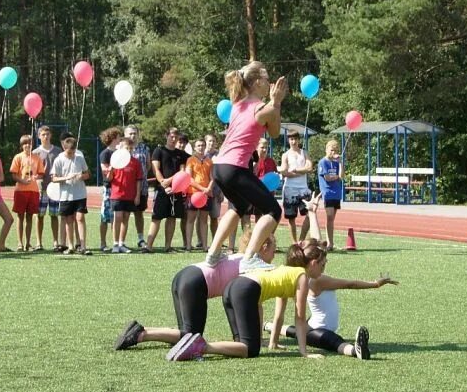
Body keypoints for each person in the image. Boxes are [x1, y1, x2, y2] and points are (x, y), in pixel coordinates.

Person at [273, 194, 397, 359]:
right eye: (323, 264)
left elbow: (317, 242)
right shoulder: (318, 281)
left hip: (312, 326)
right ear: (313, 264)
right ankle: (355, 350)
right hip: (320, 329)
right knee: (330, 341)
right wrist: (375, 284)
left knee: (301, 330)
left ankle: (268, 327)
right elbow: (350, 284)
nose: (325, 267)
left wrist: (312, 213)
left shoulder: (303, 272)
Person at [166, 237, 328, 361]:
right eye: (322, 266)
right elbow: (300, 318)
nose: (322, 271)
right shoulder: (301, 277)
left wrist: (273, 342)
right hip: (244, 291)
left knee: (241, 346)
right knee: (251, 349)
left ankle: (195, 345)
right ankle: (201, 346)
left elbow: (279, 314)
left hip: (232, 288)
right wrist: (304, 352)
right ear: (313, 263)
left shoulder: (286, 271)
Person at [112, 233, 277, 351]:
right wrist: (257, 338)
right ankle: (142, 333)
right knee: (191, 338)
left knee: (184, 336)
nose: (274, 256)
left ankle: (140, 330)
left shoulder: (239, 256)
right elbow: (255, 305)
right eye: (273, 251)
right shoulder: (253, 265)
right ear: (263, 248)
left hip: (185, 275)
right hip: (195, 283)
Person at [204, 61, 288, 272]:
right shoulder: (262, 108)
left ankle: (212, 255)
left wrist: (272, 104)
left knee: (238, 206)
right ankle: (250, 257)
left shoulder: (237, 104)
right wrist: (276, 103)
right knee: (273, 210)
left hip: (219, 167)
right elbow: (276, 132)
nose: (270, 82)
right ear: (258, 82)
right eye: (267, 78)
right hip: (234, 168)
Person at [145, 127, 189, 252]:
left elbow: (182, 171)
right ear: (166, 136)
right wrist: (163, 183)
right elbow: (155, 169)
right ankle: (148, 246)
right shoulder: (159, 150)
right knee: (156, 218)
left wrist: (171, 183)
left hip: (176, 190)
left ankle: (168, 246)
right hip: (161, 190)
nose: (173, 139)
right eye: (171, 136)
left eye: (176, 137)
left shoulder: (181, 154)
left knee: (172, 218)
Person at [51, 136, 91, 254]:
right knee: (69, 220)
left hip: (80, 194)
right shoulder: (59, 160)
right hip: (66, 195)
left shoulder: (79, 158)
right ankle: (70, 246)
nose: (71, 154)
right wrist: (66, 178)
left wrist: (81, 176)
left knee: (80, 218)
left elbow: (87, 174)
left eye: (73, 152)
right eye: (69, 152)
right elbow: (53, 178)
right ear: (64, 148)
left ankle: (83, 246)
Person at [107, 137, 143, 253]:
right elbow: (109, 178)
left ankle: (122, 243)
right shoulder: (116, 160)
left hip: (130, 195)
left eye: (131, 148)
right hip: (117, 194)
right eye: (126, 148)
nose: (129, 150)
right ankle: (115, 244)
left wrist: (137, 195)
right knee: (117, 217)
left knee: (126, 218)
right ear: (121, 148)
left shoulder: (136, 162)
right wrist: (110, 170)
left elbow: (139, 180)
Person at [10, 134, 46, 251]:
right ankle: (20, 243)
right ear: (21, 145)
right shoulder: (18, 157)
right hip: (21, 191)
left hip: (33, 191)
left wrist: (36, 177)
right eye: (25, 144)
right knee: (20, 217)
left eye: (29, 143)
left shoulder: (37, 158)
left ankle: (28, 242)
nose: (27, 146)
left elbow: (41, 173)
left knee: (30, 216)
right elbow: (14, 175)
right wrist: (22, 180)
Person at [279, 130, 313, 243]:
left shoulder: (304, 153)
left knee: (310, 214)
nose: (293, 141)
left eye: (295, 139)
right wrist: (299, 172)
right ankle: (294, 243)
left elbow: (309, 168)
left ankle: (301, 240)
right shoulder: (285, 155)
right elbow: (284, 172)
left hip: (303, 190)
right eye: (291, 139)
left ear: (299, 140)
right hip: (290, 190)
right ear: (288, 140)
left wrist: (296, 170)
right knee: (291, 217)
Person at [33, 125, 62, 251]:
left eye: (47, 134)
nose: (45, 136)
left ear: (51, 135)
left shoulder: (58, 151)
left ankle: (56, 241)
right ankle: (39, 242)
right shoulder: (35, 153)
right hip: (41, 188)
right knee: (39, 215)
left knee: (54, 215)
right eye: (43, 134)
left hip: (55, 188)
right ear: (39, 136)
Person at [184, 139, 213, 251]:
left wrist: (209, 188)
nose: (200, 147)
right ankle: (188, 245)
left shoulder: (209, 161)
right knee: (191, 219)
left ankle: (205, 246)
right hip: (193, 193)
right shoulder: (190, 160)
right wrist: (203, 189)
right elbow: (189, 178)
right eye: (198, 146)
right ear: (194, 148)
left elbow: (212, 177)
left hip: (206, 195)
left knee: (204, 220)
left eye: (202, 145)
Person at [125, 125, 151, 249]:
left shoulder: (144, 148)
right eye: (130, 133)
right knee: (123, 214)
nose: (132, 136)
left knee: (139, 213)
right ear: (125, 135)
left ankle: (140, 238)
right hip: (126, 187)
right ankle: (120, 241)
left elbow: (148, 165)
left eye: (134, 133)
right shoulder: (122, 149)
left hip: (142, 186)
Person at [98, 127, 122, 253]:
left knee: (115, 217)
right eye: (118, 137)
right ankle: (102, 243)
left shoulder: (121, 152)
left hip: (119, 188)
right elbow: (105, 172)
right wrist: (112, 167)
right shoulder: (105, 154)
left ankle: (116, 242)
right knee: (104, 217)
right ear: (113, 138)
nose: (120, 140)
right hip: (109, 188)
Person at [318, 139, 345, 251]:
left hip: (336, 193)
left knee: (332, 219)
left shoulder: (335, 163)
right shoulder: (323, 162)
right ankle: (329, 243)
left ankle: (331, 243)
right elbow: (327, 178)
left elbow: (341, 176)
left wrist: (340, 163)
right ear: (326, 150)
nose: (333, 152)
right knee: (329, 216)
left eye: (335, 150)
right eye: (331, 150)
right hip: (327, 192)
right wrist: (336, 177)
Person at [203, 134, 222, 244]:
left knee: (214, 217)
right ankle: (201, 241)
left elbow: (221, 174)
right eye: (209, 141)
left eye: (213, 141)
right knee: (202, 218)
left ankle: (215, 240)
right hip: (202, 190)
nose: (211, 143)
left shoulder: (220, 156)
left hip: (216, 190)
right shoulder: (200, 154)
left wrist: (222, 191)